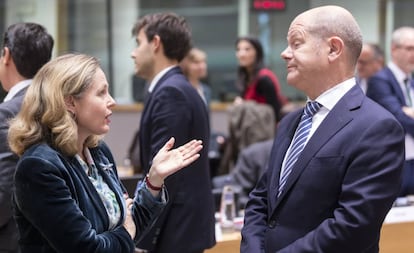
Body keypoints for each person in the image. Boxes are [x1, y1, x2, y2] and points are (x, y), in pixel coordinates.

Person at [241, 5, 405, 253]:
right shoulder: (290, 122)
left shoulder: (377, 127)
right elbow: (261, 199)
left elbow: (352, 227)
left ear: (333, 49)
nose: (285, 54)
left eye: (296, 43)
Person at [7, 53, 203, 253]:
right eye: (101, 93)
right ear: (70, 102)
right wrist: (126, 231)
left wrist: (154, 180)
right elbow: (87, 248)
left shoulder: (98, 152)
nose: (112, 101)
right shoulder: (39, 167)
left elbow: (132, 226)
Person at [130, 12, 215, 252]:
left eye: (139, 43)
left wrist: (144, 234)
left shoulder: (171, 92)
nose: (133, 52)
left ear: (155, 43)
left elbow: (167, 172)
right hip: (180, 228)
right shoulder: (174, 87)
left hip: (174, 230)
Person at [0, 22, 54, 253]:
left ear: (7, 55)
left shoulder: (7, 113)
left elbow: (4, 188)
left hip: (14, 239)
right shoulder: (60, 106)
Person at [366, 26, 414, 197]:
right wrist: (406, 113)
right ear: (394, 49)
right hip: (394, 160)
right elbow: (398, 119)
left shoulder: (411, 80)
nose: (413, 54)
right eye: (409, 48)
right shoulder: (380, 80)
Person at [235, 35, 289, 122]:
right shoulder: (246, 77)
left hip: (266, 131)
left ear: (257, 52)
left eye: (247, 49)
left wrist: (244, 105)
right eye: (238, 50)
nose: (241, 54)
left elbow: (275, 112)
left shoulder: (264, 78)